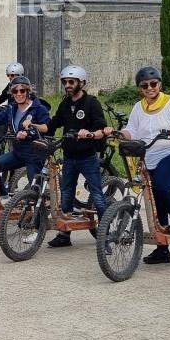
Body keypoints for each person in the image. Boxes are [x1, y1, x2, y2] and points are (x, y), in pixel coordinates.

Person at [119, 66, 170, 264]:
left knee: (161, 185)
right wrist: (119, 133)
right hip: (150, 157)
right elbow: (132, 131)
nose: (150, 88)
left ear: (160, 84)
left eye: (153, 84)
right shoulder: (139, 107)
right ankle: (163, 250)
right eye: (145, 86)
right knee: (155, 200)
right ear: (140, 88)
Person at [0, 75, 52, 230]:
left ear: (28, 92)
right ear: (12, 93)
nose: (19, 93)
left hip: (34, 154)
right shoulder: (11, 109)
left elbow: (47, 128)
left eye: (22, 90)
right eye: (15, 91)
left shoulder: (38, 108)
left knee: (35, 190)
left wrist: (32, 126)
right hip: (18, 152)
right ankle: (3, 202)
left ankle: (38, 226)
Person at [45, 65, 109, 248]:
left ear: (82, 83)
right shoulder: (65, 103)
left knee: (97, 195)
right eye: (65, 82)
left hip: (87, 157)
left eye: (71, 82)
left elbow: (100, 127)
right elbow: (52, 125)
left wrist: (88, 132)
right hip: (69, 157)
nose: (67, 85)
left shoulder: (92, 103)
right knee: (66, 195)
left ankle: (105, 236)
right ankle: (64, 235)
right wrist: (33, 126)